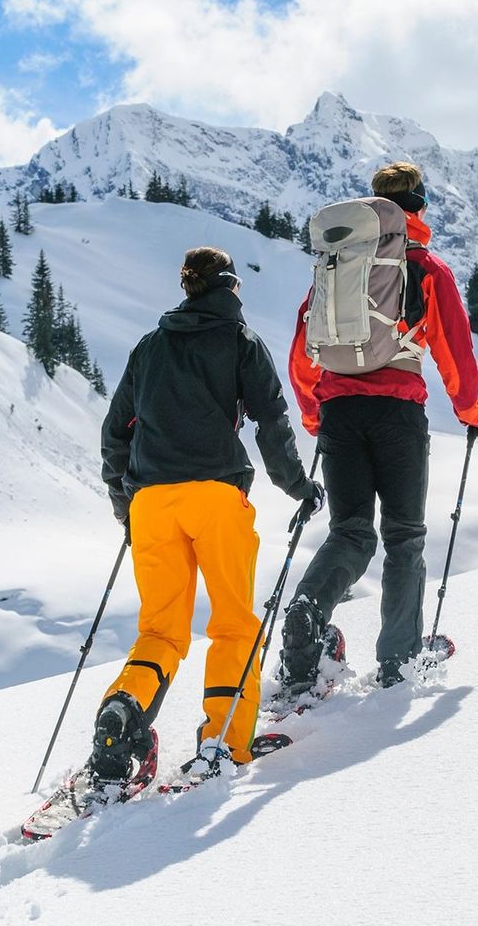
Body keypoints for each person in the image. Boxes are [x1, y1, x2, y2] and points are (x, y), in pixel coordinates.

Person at [86, 246, 323, 794]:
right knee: (234, 624)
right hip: (215, 497)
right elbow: (271, 422)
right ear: (231, 287)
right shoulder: (240, 341)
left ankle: (123, 712)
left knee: (160, 632)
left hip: (151, 503)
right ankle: (226, 742)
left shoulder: (149, 347)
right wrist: (299, 488)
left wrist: (128, 506)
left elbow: (114, 434)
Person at [281, 161, 478, 692]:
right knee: (404, 537)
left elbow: (304, 351)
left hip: (338, 412)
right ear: (418, 206)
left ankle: (307, 611)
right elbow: (455, 353)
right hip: (397, 414)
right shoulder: (423, 267)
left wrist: (314, 414)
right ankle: (398, 660)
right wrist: (471, 413)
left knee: (350, 532)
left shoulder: (337, 267)